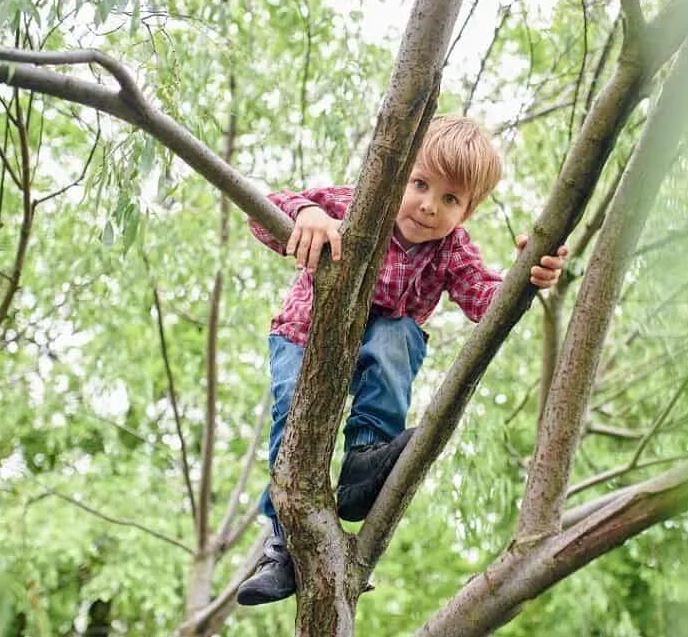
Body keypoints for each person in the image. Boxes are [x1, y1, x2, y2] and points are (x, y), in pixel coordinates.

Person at [237, 115, 568, 605]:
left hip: (376, 352)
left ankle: (364, 463)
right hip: (305, 337)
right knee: (291, 410)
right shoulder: (356, 205)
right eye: (420, 184)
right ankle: (284, 545)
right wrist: (307, 213)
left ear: (467, 211)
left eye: (450, 199)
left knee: (400, 333)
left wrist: (527, 274)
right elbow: (263, 216)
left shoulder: (450, 250)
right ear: (398, 174)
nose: (429, 205)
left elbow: (484, 300)